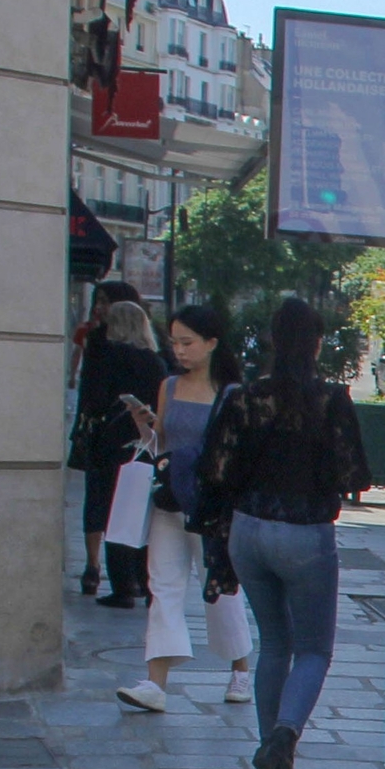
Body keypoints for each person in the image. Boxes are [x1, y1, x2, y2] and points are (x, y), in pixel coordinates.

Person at [198, 296, 371, 769]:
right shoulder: (330, 400)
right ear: (317, 344)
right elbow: (354, 474)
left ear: (272, 341)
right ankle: (283, 740)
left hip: (248, 530)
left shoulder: (243, 397)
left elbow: (216, 470)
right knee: (314, 649)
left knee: (274, 645)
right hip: (304, 533)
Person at [114, 304, 255, 712]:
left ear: (211, 344)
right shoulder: (169, 386)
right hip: (170, 500)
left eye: (188, 342)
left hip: (210, 506)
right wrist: (143, 422)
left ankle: (240, 669)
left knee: (220, 589)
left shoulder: (230, 393)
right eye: (174, 342)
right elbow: (160, 441)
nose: (179, 350)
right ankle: (155, 682)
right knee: (163, 586)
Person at [79, 293, 167, 608]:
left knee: (111, 510)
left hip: (110, 442)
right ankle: (145, 582)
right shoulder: (155, 361)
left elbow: (94, 398)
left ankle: (122, 586)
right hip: (146, 442)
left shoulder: (107, 355)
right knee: (142, 512)